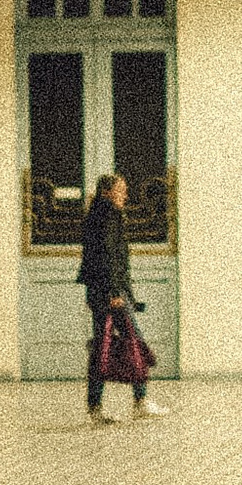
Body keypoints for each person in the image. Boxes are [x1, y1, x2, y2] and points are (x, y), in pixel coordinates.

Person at [79, 169, 154, 422]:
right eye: (121, 190)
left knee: (103, 346)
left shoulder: (98, 214)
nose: (125, 195)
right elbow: (107, 257)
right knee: (134, 342)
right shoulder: (108, 216)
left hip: (101, 291)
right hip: (111, 292)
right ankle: (140, 402)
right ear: (107, 192)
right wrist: (115, 292)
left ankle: (96, 407)